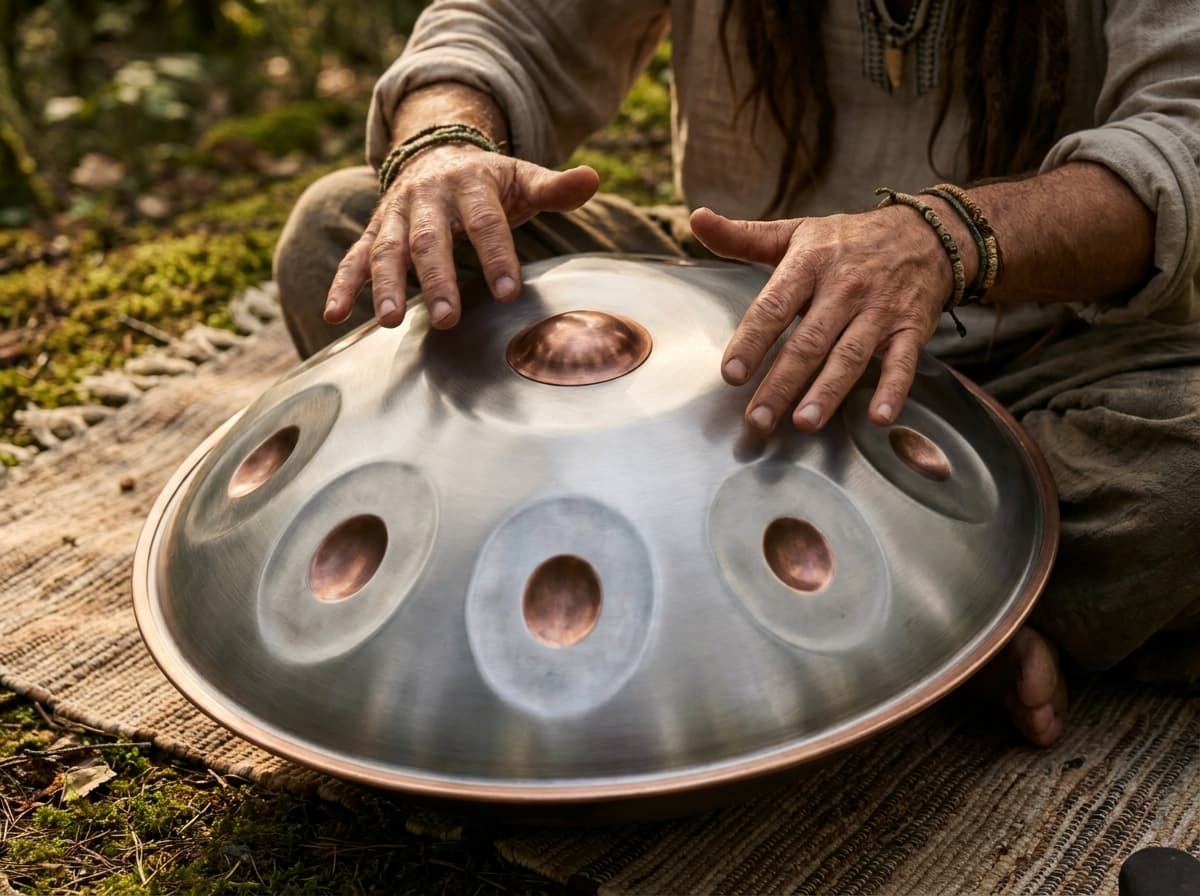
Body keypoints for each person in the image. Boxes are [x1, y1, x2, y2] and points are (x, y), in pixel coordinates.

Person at [274, 0, 1200, 747]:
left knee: (1183, 473)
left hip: (1037, 358)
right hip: (718, 351)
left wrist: (945, 239)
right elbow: (503, 26)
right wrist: (442, 148)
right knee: (348, 231)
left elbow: (1181, 142)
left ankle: (930, 605)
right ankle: (945, 606)